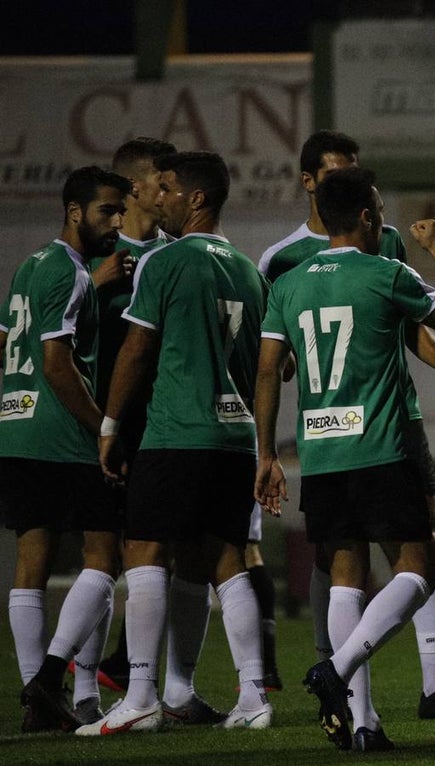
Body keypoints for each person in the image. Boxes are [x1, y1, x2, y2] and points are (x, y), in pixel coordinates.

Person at [260, 130, 435, 724]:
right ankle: (335, 670)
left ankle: (363, 723)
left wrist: (265, 452)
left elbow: (267, 372)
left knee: (343, 575)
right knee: (418, 561)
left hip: (321, 449)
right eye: (379, 207)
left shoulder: (287, 281)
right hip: (380, 443)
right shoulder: (380, 267)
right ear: (364, 212)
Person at [80, 151, 271, 735]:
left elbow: (137, 351)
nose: (154, 198)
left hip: (177, 434)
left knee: (141, 552)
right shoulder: (247, 268)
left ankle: (139, 695)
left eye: (165, 189)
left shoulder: (165, 262)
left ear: (195, 199)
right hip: (235, 438)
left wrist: (110, 427)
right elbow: (271, 363)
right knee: (223, 560)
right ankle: (252, 698)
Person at [1, 167, 130, 732]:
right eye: (107, 211)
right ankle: (52, 681)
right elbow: (58, 365)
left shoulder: (30, 266)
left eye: (121, 211)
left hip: (16, 428)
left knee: (31, 567)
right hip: (60, 437)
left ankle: (38, 702)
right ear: (74, 212)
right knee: (105, 557)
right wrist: (104, 426)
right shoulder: (71, 273)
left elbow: (11, 342)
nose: (117, 222)